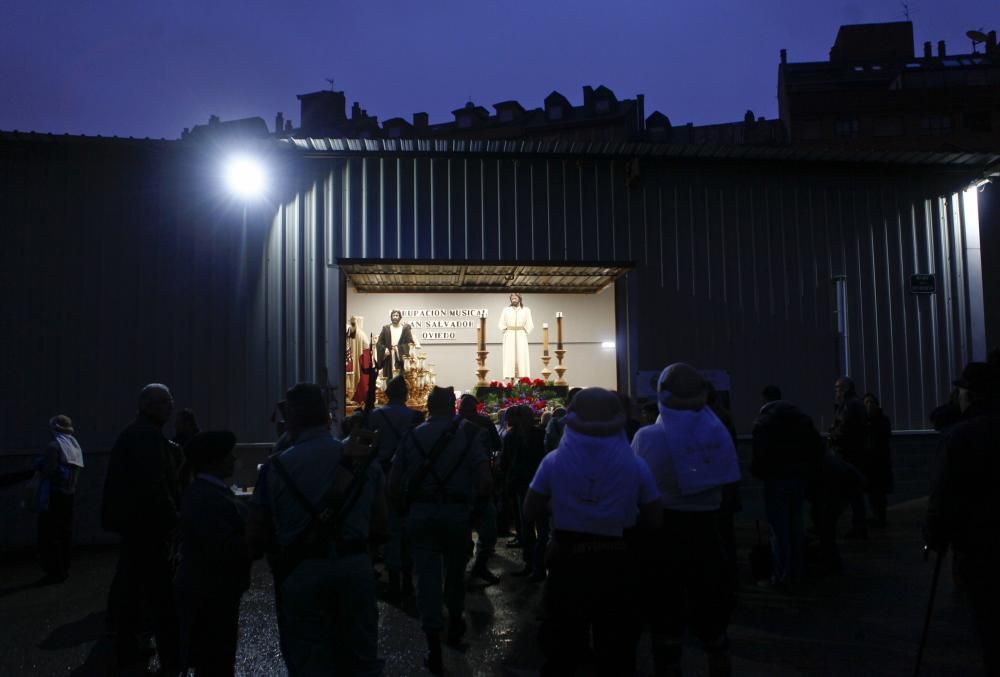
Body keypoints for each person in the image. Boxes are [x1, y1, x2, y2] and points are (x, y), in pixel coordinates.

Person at [523, 387, 662, 676]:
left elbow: (529, 510)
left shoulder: (554, 461)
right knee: (616, 646)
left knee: (563, 645)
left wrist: (560, 507)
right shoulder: (634, 464)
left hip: (568, 559)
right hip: (618, 562)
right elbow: (654, 517)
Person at [254, 382, 386, 676]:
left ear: (293, 419)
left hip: (303, 569)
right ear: (329, 417)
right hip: (354, 566)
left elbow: (261, 528)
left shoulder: (276, 468)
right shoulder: (362, 463)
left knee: (309, 659)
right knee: (361, 658)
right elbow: (381, 521)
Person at [632, 363, 741, 677]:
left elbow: (638, 484)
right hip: (709, 530)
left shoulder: (648, 436)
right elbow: (729, 485)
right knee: (711, 612)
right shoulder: (717, 432)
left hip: (665, 533)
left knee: (666, 615)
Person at [389, 386, 491, 675]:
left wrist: (402, 512)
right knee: (456, 573)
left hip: (421, 513)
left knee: (427, 576)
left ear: (429, 407)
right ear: (453, 406)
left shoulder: (412, 436)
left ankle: (433, 641)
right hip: (457, 513)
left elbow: (393, 483)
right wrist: (475, 514)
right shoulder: (470, 435)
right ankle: (455, 621)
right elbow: (485, 481)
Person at [925, 361, 1000, 676]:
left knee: (990, 623)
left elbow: (944, 493)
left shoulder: (961, 436)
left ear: (971, 394)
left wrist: (935, 537)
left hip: (981, 545)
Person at [101, 383, 182, 674]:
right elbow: (155, 487)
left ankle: (127, 645)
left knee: (132, 586)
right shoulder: (146, 437)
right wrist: (174, 520)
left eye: (170, 401)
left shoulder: (137, 434)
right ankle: (171, 656)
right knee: (161, 594)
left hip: (136, 525)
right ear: (148, 405)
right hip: (148, 526)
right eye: (164, 402)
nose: (170, 407)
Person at [175, 431, 250, 676]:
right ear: (214, 460)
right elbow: (223, 548)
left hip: (207, 589)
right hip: (213, 591)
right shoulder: (210, 497)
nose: (233, 459)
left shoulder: (203, 491)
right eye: (228, 454)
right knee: (216, 657)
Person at [751, 385, 824, 587]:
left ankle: (782, 575)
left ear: (764, 399)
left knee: (779, 530)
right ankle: (798, 572)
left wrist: (760, 473)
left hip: (775, 481)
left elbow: (759, 456)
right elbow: (818, 448)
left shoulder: (763, 422)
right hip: (799, 479)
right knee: (796, 526)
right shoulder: (801, 419)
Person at [371, 375, 424, 601]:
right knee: (409, 526)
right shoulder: (415, 417)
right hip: (408, 476)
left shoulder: (376, 416)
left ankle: (393, 579)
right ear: (406, 394)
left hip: (382, 474)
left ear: (387, 394)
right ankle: (408, 580)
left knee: (389, 526)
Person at [458, 394, 503, 584]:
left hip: (458, 481)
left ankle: (461, 565)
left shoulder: (454, 424)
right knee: (487, 528)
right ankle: (480, 565)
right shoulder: (484, 423)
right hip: (480, 478)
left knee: (462, 526)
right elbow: (497, 446)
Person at [34, 415, 84, 584]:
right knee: (64, 531)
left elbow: (49, 471)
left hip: (54, 494)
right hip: (68, 494)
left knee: (50, 533)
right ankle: (64, 567)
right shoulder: (74, 446)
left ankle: (54, 570)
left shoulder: (54, 446)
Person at [505, 405, 549, 582]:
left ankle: (533, 564)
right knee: (538, 527)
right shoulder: (537, 435)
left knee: (530, 525)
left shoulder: (514, 436)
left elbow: (507, 461)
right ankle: (536, 564)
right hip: (533, 482)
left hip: (524, 483)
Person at [829, 376, 869, 539]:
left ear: (845, 389)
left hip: (848, 454)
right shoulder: (854, 404)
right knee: (854, 493)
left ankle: (829, 524)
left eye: (838, 388)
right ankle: (858, 526)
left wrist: (833, 436)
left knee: (848, 493)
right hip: (853, 454)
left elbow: (844, 430)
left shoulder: (849, 405)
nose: (836, 391)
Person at [862, 393, 893, 528]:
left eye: (871, 402)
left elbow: (883, 437)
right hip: (869, 462)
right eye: (866, 402)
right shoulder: (863, 420)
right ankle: (877, 517)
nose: (869, 405)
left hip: (879, 462)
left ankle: (880, 518)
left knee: (878, 493)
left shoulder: (882, 420)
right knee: (872, 493)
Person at [497, 292, 534, 380]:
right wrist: (506, 331)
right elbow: (501, 323)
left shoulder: (526, 310)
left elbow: (530, 324)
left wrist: (524, 331)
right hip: (509, 336)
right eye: (512, 298)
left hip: (521, 335)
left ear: (519, 298)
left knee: (522, 356)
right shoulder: (506, 310)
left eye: (515, 297)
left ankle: (522, 379)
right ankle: (511, 379)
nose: (513, 299)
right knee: (509, 357)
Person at [376, 310, 419, 378]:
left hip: (401, 359)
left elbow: (410, 343)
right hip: (389, 358)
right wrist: (384, 349)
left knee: (400, 379)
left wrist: (398, 349)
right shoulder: (386, 329)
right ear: (391, 317)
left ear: (400, 317)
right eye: (393, 315)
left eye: (397, 315)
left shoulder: (405, 329)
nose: (395, 317)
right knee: (389, 379)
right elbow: (379, 343)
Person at [346, 315, 372, 404]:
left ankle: (349, 396)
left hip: (350, 358)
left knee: (351, 376)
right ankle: (351, 396)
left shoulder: (351, 332)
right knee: (353, 376)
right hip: (353, 359)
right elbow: (367, 348)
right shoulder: (361, 334)